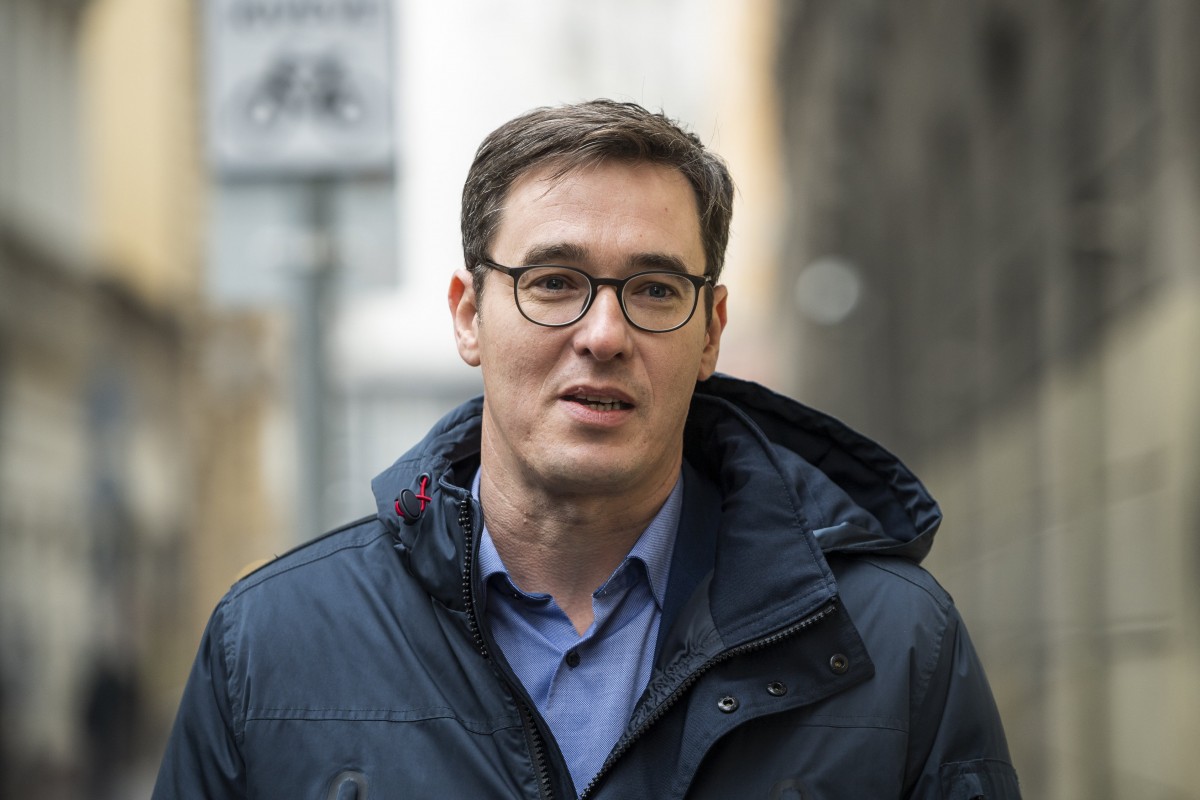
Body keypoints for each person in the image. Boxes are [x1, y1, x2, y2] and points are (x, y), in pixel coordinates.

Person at [153, 99, 1021, 799]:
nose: (604, 334)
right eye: (554, 282)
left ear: (711, 331)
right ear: (469, 315)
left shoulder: (895, 644)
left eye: (655, 289)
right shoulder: (268, 646)